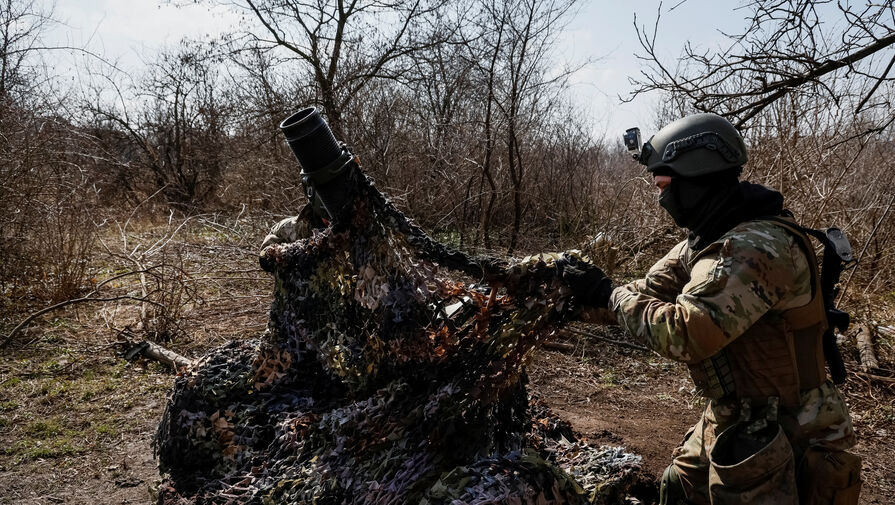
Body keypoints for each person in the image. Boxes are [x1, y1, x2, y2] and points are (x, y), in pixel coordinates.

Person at [565, 113, 862, 505]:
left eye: (665, 182)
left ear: (697, 176)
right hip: (733, 415)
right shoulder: (710, 233)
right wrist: (573, 300)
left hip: (792, 429)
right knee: (677, 488)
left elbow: (686, 332)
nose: (660, 195)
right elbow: (648, 290)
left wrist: (608, 296)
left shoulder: (755, 246)